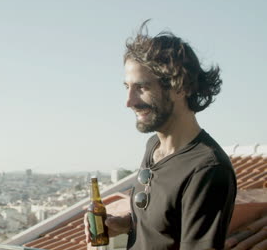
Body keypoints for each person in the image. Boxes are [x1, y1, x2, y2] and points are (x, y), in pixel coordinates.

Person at [84, 21, 237, 250]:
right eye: (127, 87)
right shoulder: (154, 146)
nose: (129, 101)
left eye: (141, 88)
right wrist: (127, 223)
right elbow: (164, 224)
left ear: (180, 87)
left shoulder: (207, 170)